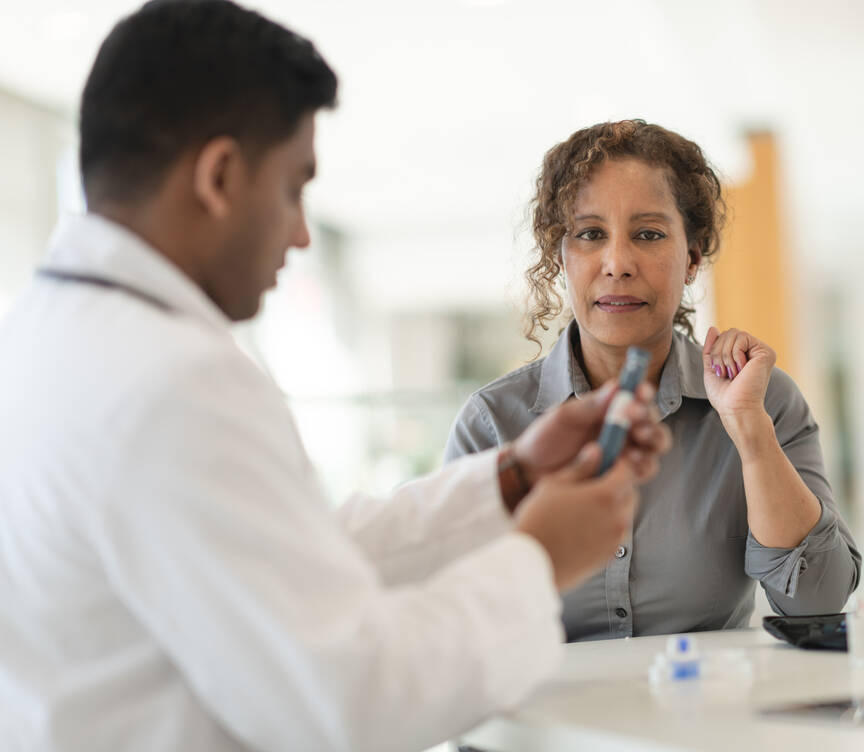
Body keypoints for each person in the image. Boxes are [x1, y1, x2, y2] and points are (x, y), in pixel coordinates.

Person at [0, 4, 671, 752]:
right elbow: (355, 700)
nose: (300, 233)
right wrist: (540, 558)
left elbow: (298, 554)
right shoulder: (169, 381)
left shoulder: (46, 334)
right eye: (294, 187)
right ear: (219, 177)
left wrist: (513, 479)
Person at [445, 120, 861, 642]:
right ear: (560, 256)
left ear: (691, 258)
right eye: (590, 234)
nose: (618, 263)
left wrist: (750, 434)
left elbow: (817, 603)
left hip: (707, 716)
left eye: (648, 234)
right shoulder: (492, 424)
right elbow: (452, 619)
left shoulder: (762, 400)